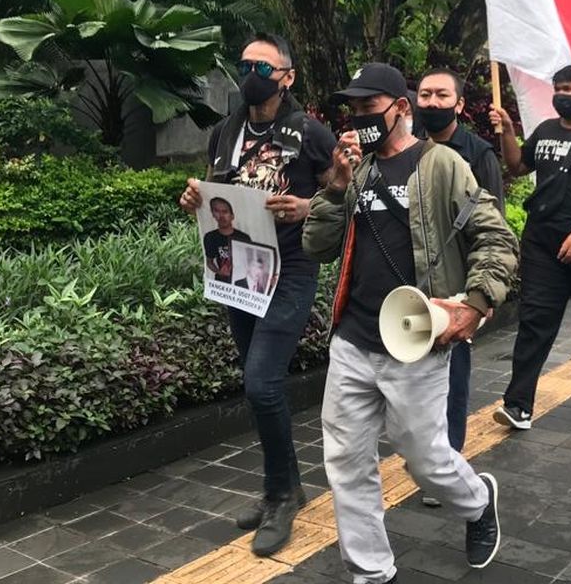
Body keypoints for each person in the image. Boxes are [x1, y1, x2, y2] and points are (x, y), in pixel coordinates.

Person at [303, 63, 517, 583]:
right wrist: (335, 187)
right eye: (351, 109)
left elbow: (496, 238)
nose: (357, 119)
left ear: (401, 107)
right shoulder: (359, 172)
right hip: (354, 340)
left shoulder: (442, 165)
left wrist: (475, 303)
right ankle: (372, 571)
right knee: (347, 463)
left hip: (415, 341)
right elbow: (318, 245)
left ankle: (476, 500)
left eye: (368, 107)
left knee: (426, 462)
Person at [179, 33, 336, 556]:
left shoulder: (310, 133)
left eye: (264, 68)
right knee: (257, 383)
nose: (253, 74)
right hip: (238, 272)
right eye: (246, 65)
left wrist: (308, 206)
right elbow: (210, 186)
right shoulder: (226, 130)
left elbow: (346, 191)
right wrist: (194, 198)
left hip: (290, 268)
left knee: (261, 383)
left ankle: (280, 494)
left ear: (287, 77)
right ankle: (289, 485)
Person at [489, 64, 571, 428]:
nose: (561, 95)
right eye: (557, 88)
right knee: (535, 319)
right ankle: (518, 404)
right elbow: (517, 166)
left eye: (569, 89)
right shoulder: (546, 130)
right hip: (543, 241)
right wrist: (508, 131)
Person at [414, 68, 505, 505]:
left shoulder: (477, 154)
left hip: (454, 284)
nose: (431, 103)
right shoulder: (407, 150)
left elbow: (492, 228)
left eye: (441, 95)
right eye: (424, 94)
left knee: (452, 378)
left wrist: (475, 296)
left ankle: (449, 464)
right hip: (411, 286)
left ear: (459, 104)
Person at [203, 197, 253, 282]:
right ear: (213, 214)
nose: (221, 216)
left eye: (225, 212)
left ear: (232, 216)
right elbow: (209, 262)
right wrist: (219, 271)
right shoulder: (210, 237)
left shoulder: (244, 237)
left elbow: (252, 262)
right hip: (222, 284)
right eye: (217, 211)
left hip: (242, 282)